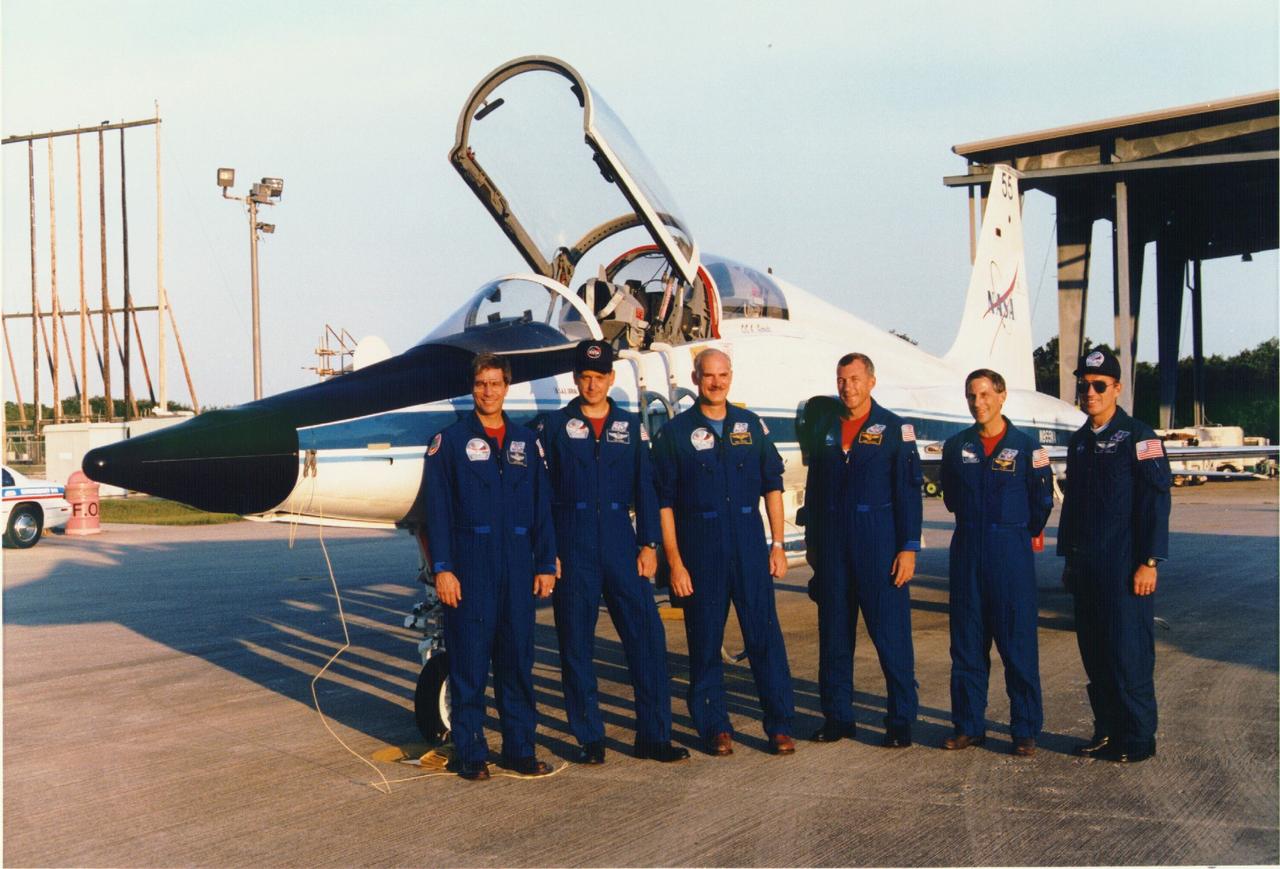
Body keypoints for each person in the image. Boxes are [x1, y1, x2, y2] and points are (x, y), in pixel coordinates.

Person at [537, 340, 689, 765]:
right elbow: (542, 497)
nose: (591, 384)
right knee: (576, 647)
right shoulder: (553, 428)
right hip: (573, 543)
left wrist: (650, 544)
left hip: (623, 544)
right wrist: (550, 553)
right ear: (575, 379)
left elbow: (648, 487)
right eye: (584, 377)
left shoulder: (630, 427)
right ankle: (590, 738)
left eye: (598, 377)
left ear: (610, 379)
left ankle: (654, 736)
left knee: (648, 641)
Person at [651, 348, 796, 756]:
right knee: (705, 643)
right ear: (695, 379)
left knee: (765, 639)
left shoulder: (750, 426)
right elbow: (663, 503)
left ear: (731, 376)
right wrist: (675, 563)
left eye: (723, 375)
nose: (716, 382)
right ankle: (714, 726)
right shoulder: (675, 434)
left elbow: (773, 485)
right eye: (708, 375)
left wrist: (779, 545)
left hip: (749, 547)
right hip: (701, 553)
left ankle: (780, 725)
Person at [423, 353, 558, 781]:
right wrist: (443, 569)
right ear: (472, 387)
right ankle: (471, 752)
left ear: (506, 387)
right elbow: (437, 512)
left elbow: (542, 509)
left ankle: (520, 749)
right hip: (470, 568)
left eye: (495, 383)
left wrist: (546, 563)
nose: (488, 391)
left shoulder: (525, 442)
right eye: (481, 383)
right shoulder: (449, 443)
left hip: (518, 568)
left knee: (518, 664)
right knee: (470, 666)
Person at [1058, 347, 1171, 763]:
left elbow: (1156, 502)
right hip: (1088, 569)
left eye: (1099, 385)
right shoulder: (1080, 442)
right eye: (1084, 385)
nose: (1090, 392)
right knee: (1096, 656)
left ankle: (1138, 739)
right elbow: (1073, 507)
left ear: (1117, 389)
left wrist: (1150, 561)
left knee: (1129, 656)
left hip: (1126, 569)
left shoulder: (1140, 438)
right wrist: (1068, 560)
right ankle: (1106, 732)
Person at [804, 352, 922, 748]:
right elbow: (816, 492)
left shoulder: (893, 428)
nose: (847, 387)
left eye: (855, 379)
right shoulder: (824, 427)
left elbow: (909, 492)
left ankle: (901, 719)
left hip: (878, 544)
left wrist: (908, 547)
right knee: (834, 637)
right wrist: (813, 548)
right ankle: (838, 717)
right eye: (841, 379)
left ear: (871, 381)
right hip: (834, 546)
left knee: (891, 637)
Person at [938, 369, 1054, 756]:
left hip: (1010, 556)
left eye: (985, 394)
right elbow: (951, 498)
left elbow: (1042, 504)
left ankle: (1024, 729)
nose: (978, 402)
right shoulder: (957, 447)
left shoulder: (1027, 447)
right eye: (972, 395)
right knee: (967, 646)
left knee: (1017, 645)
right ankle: (969, 725)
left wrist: (1014, 532)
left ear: (1002, 396)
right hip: (968, 551)